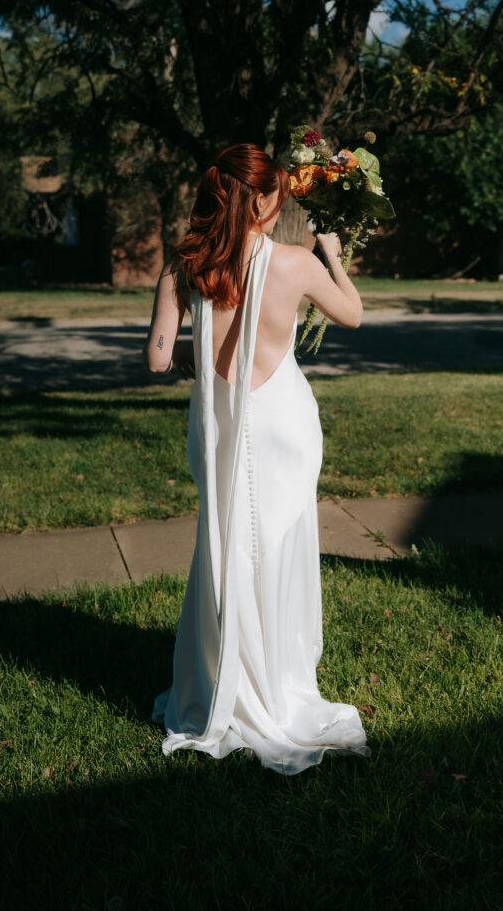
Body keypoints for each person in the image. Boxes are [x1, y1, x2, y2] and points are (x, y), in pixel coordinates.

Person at [142, 143, 371, 774]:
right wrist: (332, 254)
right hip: (282, 424)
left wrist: (201, 361)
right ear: (265, 199)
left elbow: (158, 358)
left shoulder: (184, 265)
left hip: (220, 425)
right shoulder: (296, 263)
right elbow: (352, 315)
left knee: (226, 543)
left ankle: (224, 677)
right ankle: (278, 675)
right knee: (278, 543)